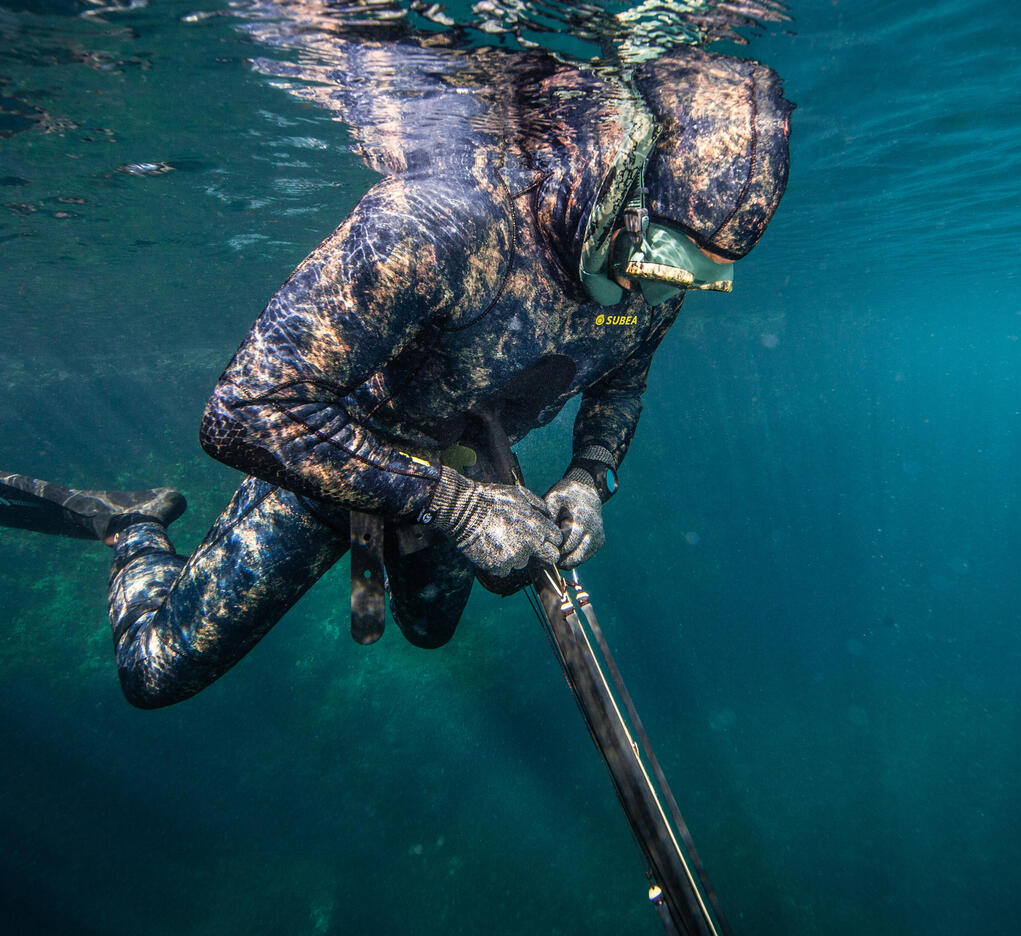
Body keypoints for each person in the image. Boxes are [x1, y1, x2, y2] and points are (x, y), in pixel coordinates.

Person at [1, 44, 792, 708]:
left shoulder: (660, 277)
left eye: (691, 284)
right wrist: (446, 503)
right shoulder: (440, 223)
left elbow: (624, 374)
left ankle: (407, 542)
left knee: (430, 627)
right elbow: (245, 410)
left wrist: (590, 476)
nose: (653, 299)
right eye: (651, 268)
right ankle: (133, 522)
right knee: (155, 670)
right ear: (618, 196)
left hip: (467, 463)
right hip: (335, 457)